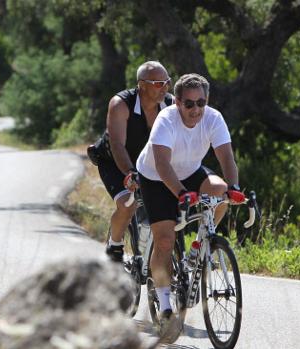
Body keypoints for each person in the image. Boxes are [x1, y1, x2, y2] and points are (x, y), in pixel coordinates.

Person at [136, 73, 246, 339]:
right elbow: (163, 165)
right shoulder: (166, 120)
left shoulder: (213, 118)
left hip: (191, 171)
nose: (196, 110)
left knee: (220, 193)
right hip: (156, 177)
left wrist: (233, 188)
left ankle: (200, 246)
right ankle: (164, 309)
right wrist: (182, 193)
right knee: (165, 239)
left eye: (201, 103)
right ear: (177, 103)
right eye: (189, 104)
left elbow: (226, 157)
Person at [95, 61, 174, 262]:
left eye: (167, 82)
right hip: (115, 160)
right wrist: (131, 173)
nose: (164, 88)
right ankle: (115, 244)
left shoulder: (171, 104)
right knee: (128, 204)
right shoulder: (120, 104)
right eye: (158, 83)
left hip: (147, 162)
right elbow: (117, 145)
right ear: (141, 85)